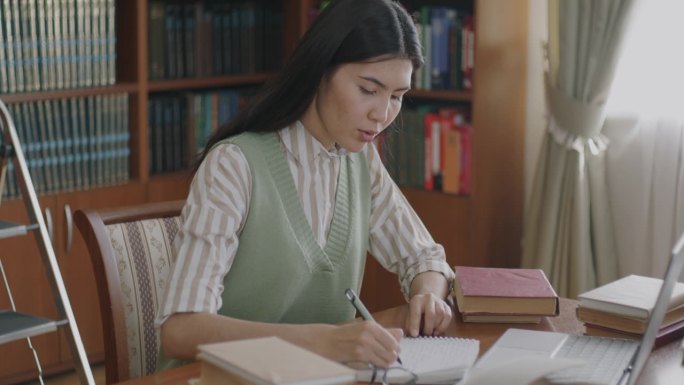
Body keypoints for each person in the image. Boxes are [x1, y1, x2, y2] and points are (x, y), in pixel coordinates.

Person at [156, 0, 455, 371]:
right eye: (368, 89)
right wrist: (326, 340)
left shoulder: (359, 159)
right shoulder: (234, 166)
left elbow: (424, 258)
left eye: (396, 97)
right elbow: (181, 330)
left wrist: (427, 295)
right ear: (319, 70)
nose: (382, 115)